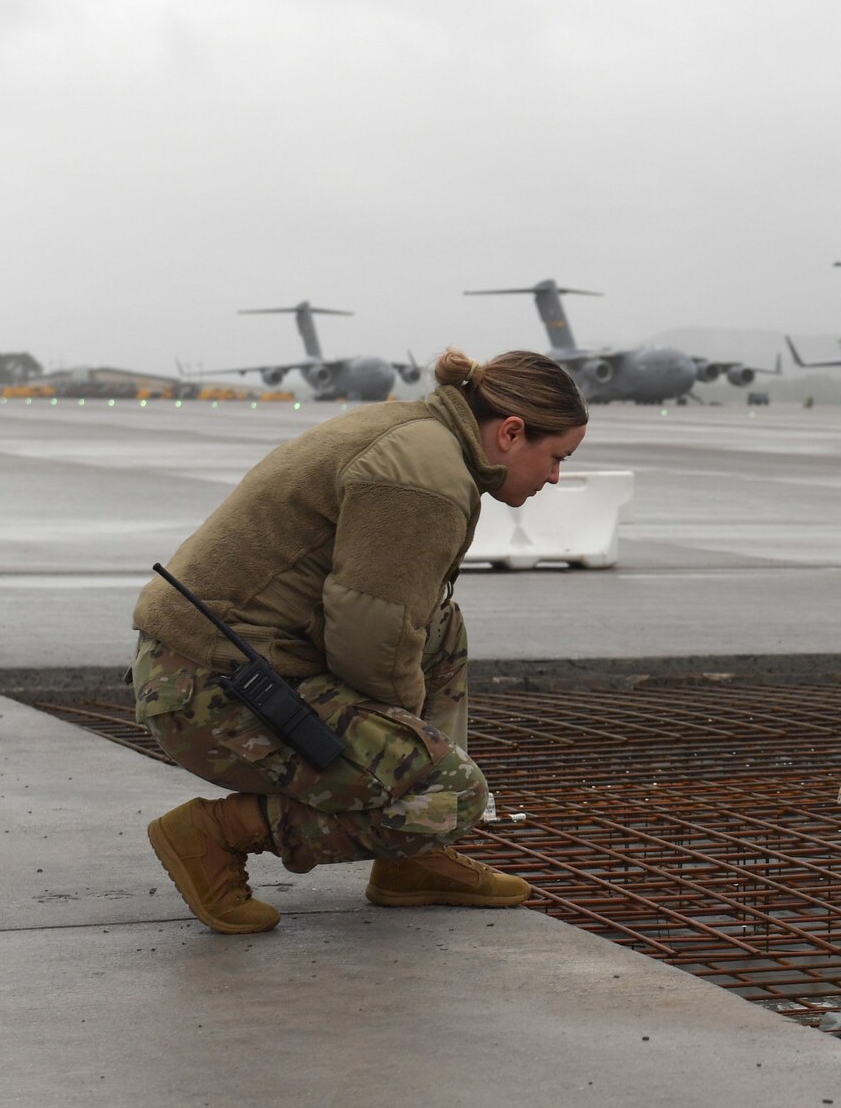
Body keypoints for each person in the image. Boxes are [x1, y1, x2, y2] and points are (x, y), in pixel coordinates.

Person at [129, 347, 588, 934]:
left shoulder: (422, 437)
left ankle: (413, 861)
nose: (555, 477)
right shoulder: (424, 477)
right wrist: (414, 774)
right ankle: (216, 834)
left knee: (440, 631)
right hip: (211, 691)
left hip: (220, 663)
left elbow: (391, 623)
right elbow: (370, 640)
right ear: (512, 432)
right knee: (451, 794)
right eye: (556, 458)